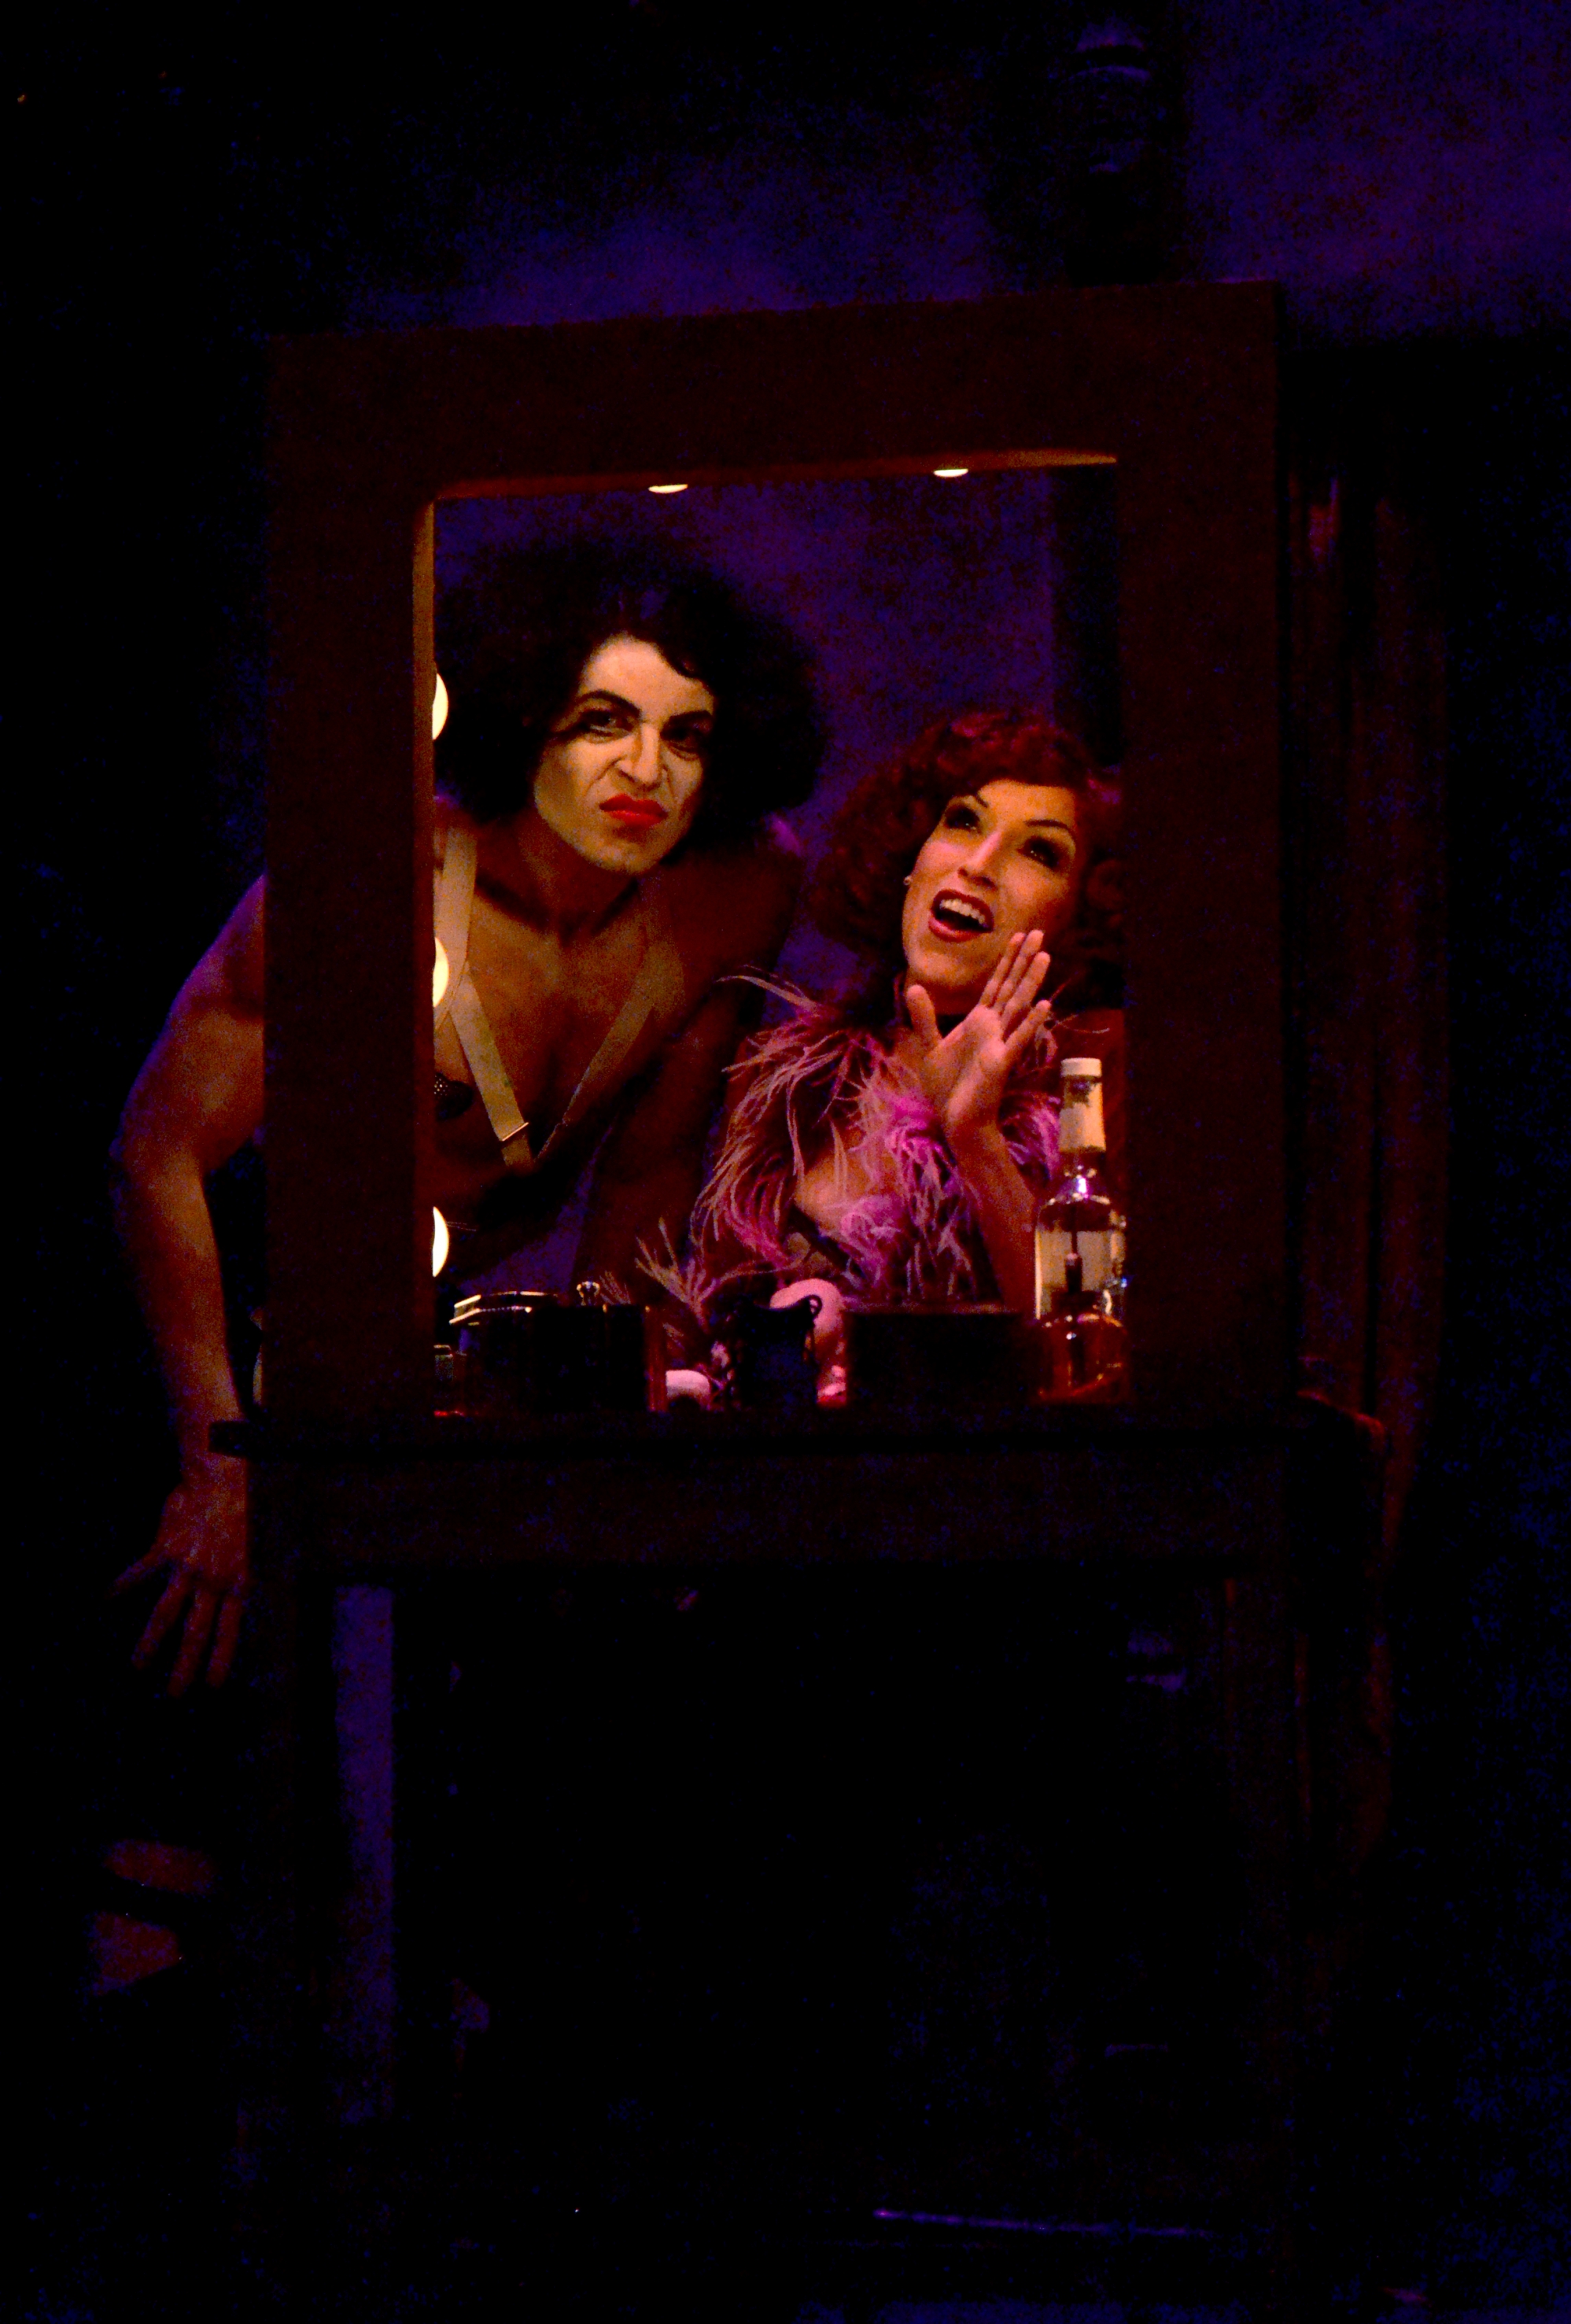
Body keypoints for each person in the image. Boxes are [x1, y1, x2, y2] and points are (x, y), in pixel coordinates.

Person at [109, 538, 821, 1701]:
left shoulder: (737, 890)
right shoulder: (371, 871)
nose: (645, 769)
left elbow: (648, 1171)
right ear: (526, 719)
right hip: (208, 1307)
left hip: (433, 1333)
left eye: (686, 735)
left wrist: (611, 1426)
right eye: (601, 722)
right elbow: (156, 1154)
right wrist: (217, 1459)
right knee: (206, 1688)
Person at [663, 708, 1123, 1389]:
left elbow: (1090, 1354)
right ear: (911, 860)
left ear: (1076, 913)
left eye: (1039, 852)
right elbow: (711, 1335)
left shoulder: (1098, 1068)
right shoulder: (781, 1079)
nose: (978, 863)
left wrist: (976, 1137)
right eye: (963, 821)